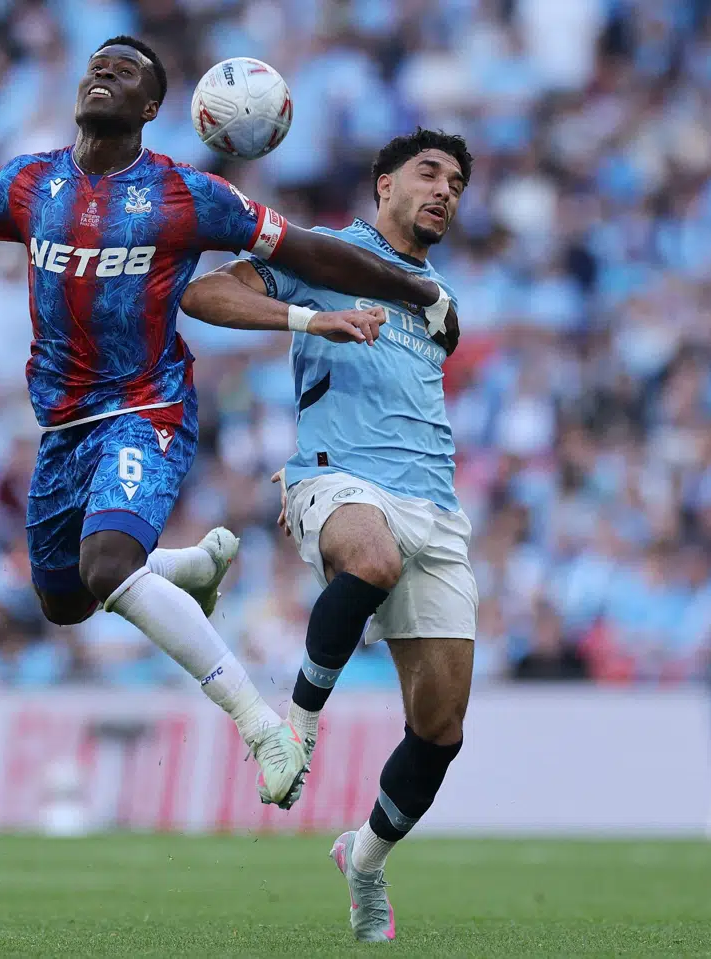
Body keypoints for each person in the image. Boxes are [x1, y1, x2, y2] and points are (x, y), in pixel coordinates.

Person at [0, 37, 455, 808]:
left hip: (150, 407)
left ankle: (260, 725)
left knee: (108, 565)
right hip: (63, 427)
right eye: (97, 64)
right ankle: (185, 571)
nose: (103, 71)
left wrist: (415, 287)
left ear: (151, 109)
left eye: (127, 70)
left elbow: (312, 252)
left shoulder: (188, 195)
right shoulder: (28, 183)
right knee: (65, 599)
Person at [180, 129, 475, 942]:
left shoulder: (435, 294)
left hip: (436, 509)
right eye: (428, 173)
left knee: (441, 730)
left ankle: (365, 860)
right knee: (369, 557)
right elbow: (204, 297)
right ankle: (299, 723)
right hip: (337, 475)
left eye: (456, 181)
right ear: (383, 184)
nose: (444, 190)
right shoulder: (327, 253)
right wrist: (314, 317)